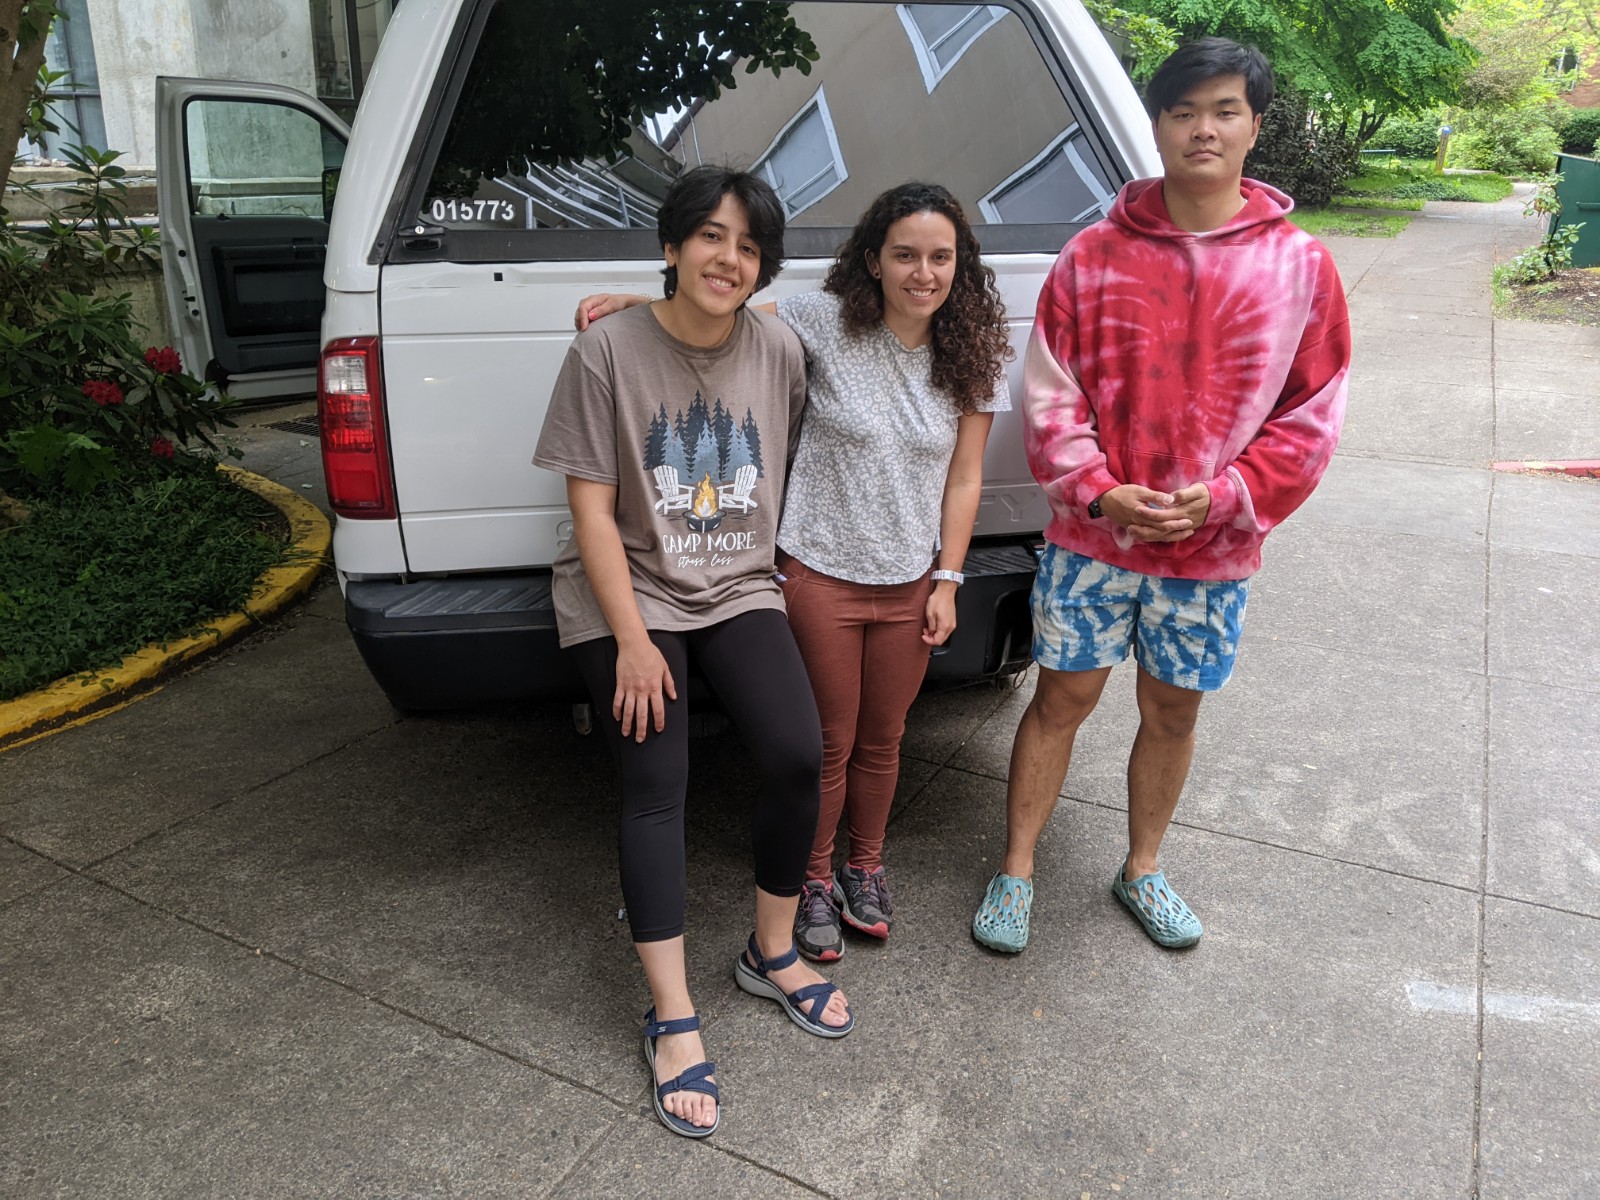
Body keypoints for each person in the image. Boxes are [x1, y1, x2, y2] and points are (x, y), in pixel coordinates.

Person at [970, 38, 1351, 954]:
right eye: (1183, 112)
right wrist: (1098, 493)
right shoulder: (1093, 255)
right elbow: (1050, 393)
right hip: (1091, 540)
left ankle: (1142, 868)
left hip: (1212, 554)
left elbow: (1313, 414)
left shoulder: (1300, 267)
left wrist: (1225, 498)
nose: (1202, 129)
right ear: (1157, 126)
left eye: (1224, 111)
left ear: (1255, 126)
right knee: (1060, 698)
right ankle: (1016, 869)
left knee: (1173, 711)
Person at [579, 182, 1011, 963]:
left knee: (886, 738)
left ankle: (864, 866)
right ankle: (811, 878)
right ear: (873, 260)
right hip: (819, 572)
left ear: (961, 264)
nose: (923, 273)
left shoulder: (974, 354)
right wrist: (639, 304)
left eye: (940, 257)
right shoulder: (824, 321)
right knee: (825, 744)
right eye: (904, 255)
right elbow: (720, 315)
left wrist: (949, 579)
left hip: (912, 580)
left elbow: (966, 478)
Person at [535, 166, 853, 1142]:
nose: (729, 258)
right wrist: (632, 643)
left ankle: (770, 952)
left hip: (737, 584)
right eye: (710, 236)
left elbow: (860, 332)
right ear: (671, 245)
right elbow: (590, 510)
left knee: (797, 755)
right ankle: (672, 1017)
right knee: (656, 777)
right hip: (629, 591)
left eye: (749, 246)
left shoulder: (780, 349)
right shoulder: (605, 352)